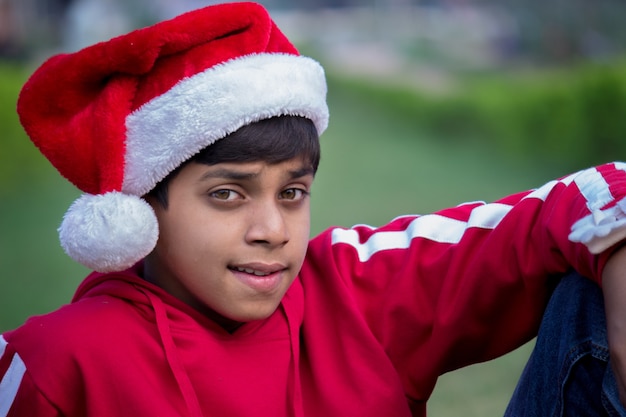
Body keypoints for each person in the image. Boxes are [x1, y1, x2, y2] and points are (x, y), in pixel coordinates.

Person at [2, 2, 626, 416]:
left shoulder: (352, 291)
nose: (273, 231)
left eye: (292, 193)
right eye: (227, 194)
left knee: (593, 275)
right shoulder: (60, 361)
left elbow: (570, 206)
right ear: (142, 210)